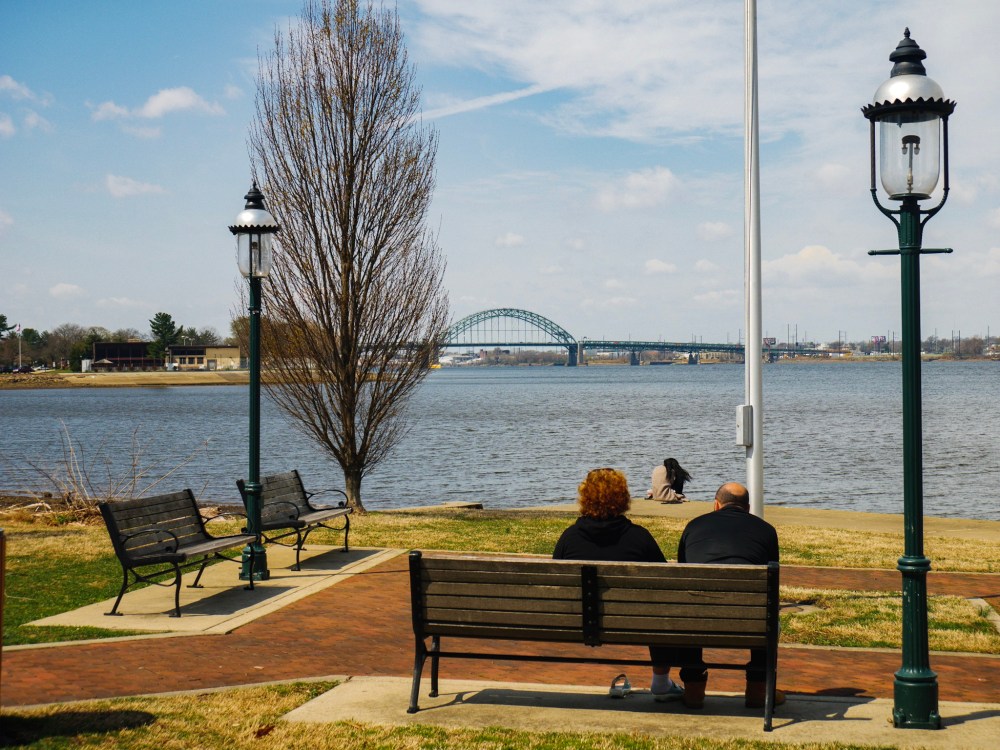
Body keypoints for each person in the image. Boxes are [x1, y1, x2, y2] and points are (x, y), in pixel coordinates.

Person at [553, 467, 684, 702]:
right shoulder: (639, 538)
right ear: (623, 498)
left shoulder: (569, 538)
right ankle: (661, 682)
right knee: (663, 609)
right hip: (636, 623)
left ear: (584, 497)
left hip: (580, 622)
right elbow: (667, 584)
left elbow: (555, 585)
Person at [672, 481, 785, 709]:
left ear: (716, 505)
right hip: (749, 620)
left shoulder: (694, 526)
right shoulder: (766, 530)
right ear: (748, 507)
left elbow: (683, 573)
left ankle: (694, 692)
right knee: (766, 612)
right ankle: (757, 691)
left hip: (699, 619)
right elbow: (772, 578)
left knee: (690, 607)